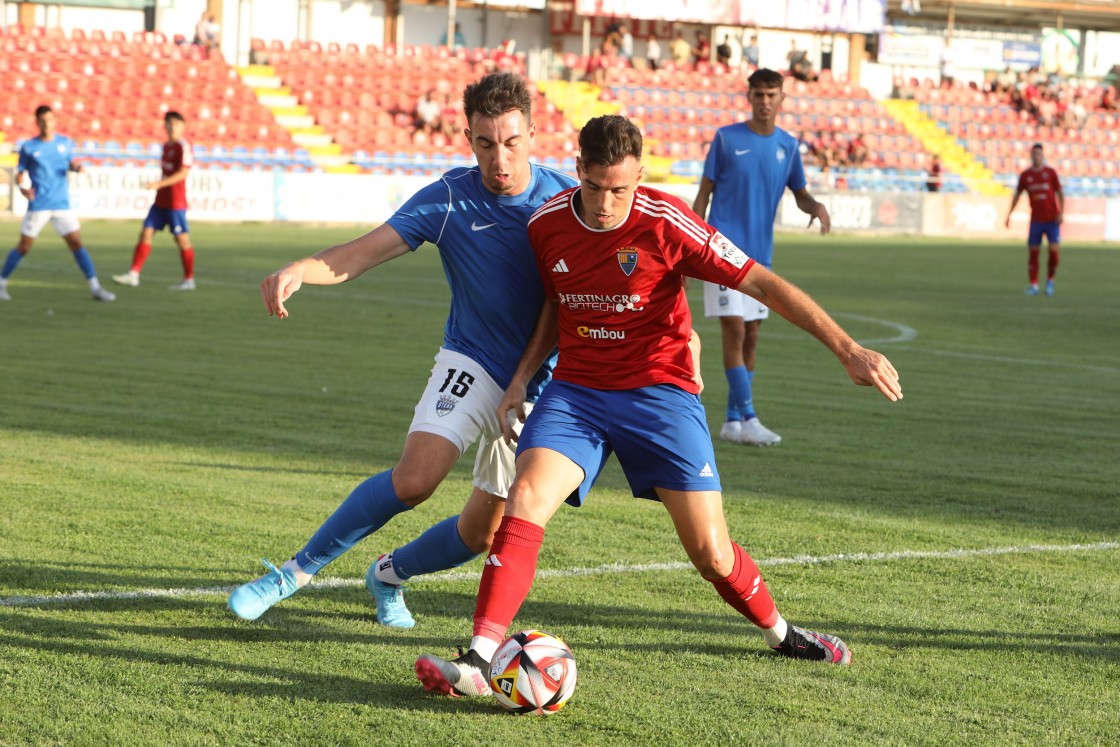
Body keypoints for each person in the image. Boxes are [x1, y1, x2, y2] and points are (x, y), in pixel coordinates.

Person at [414, 114, 902, 698]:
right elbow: (554, 303)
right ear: (578, 171)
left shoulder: (667, 220)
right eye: (594, 187)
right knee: (524, 496)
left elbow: (762, 284)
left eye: (619, 189)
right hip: (578, 394)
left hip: (661, 396)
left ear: (639, 177)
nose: (604, 203)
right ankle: (479, 657)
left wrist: (848, 349)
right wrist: (521, 379)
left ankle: (781, 633)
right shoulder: (547, 224)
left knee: (712, 553)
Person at [226, 73, 579, 629]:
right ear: (468, 138)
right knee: (416, 479)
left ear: (533, 133)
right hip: (473, 361)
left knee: (480, 533)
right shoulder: (448, 199)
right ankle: (292, 573)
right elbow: (361, 254)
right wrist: (302, 269)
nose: (499, 159)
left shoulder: (566, 203)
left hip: (542, 384)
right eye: (485, 144)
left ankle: (388, 574)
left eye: (511, 142)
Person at [692, 68, 831, 447]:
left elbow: (799, 193)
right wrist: (692, 242)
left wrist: (815, 205)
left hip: (761, 258)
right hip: (721, 252)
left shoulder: (788, 146)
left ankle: (733, 422)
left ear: (782, 98)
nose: (765, 101)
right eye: (759, 94)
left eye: (772, 95)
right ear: (749, 97)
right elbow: (704, 194)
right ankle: (750, 417)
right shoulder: (726, 139)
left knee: (751, 336)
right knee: (734, 329)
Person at [0, 106, 115, 303]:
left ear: (54, 121)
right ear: (37, 122)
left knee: (76, 243)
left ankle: (95, 287)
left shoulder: (64, 143)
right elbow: (20, 172)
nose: (47, 123)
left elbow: (69, 163)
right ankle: (1, 283)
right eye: (43, 120)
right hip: (39, 204)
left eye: (50, 119)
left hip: (61, 203)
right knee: (24, 246)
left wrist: (76, 167)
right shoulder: (29, 147)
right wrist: (22, 188)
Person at [112, 112, 197, 291]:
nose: (172, 127)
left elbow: (183, 173)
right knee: (146, 233)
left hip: (176, 202)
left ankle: (189, 280)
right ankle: (133, 274)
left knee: (182, 240)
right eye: (169, 123)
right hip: (161, 201)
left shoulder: (184, 146)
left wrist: (158, 184)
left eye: (176, 123)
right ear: (165, 126)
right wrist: (160, 187)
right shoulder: (166, 146)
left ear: (183, 126)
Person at [1005, 143, 1063, 296]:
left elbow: (1060, 193)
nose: (1036, 156)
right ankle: (1034, 285)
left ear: (1043, 156)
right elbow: (1017, 195)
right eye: (1034, 153)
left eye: (1039, 154)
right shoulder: (1025, 176)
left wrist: (1061, 212)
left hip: (1052, 220)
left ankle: (1050, 281)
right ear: (1031, 155)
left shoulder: (1050, 173)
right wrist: (1009, 215)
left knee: (1054, 251)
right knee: (1033, 252)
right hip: (1036, 220)